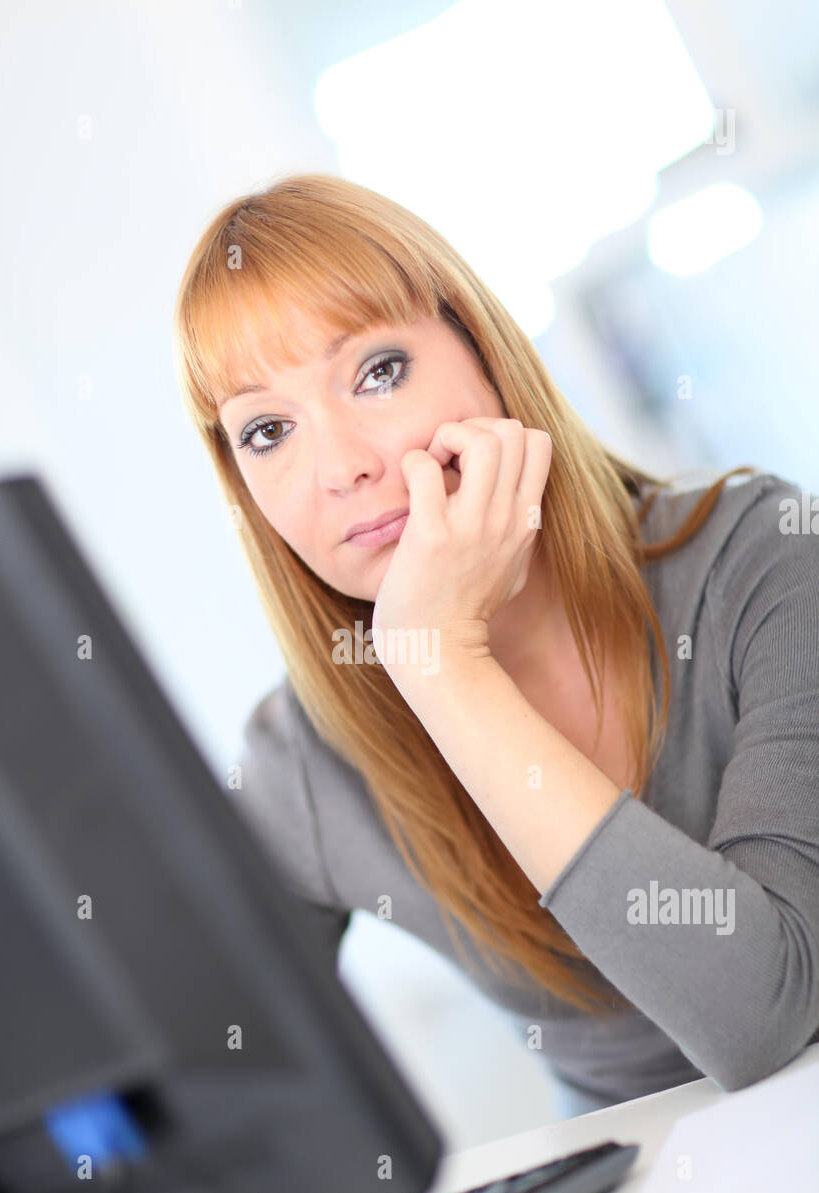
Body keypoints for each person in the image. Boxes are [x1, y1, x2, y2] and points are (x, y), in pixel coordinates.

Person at [172, 172, 819, 1121]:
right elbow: (194, 1101)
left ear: (485, 352)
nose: (342, 464)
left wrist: (444, 665)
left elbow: (761, 1021)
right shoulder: (301, 759)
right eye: (267, 430)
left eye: (377, 372)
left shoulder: (764, 558)